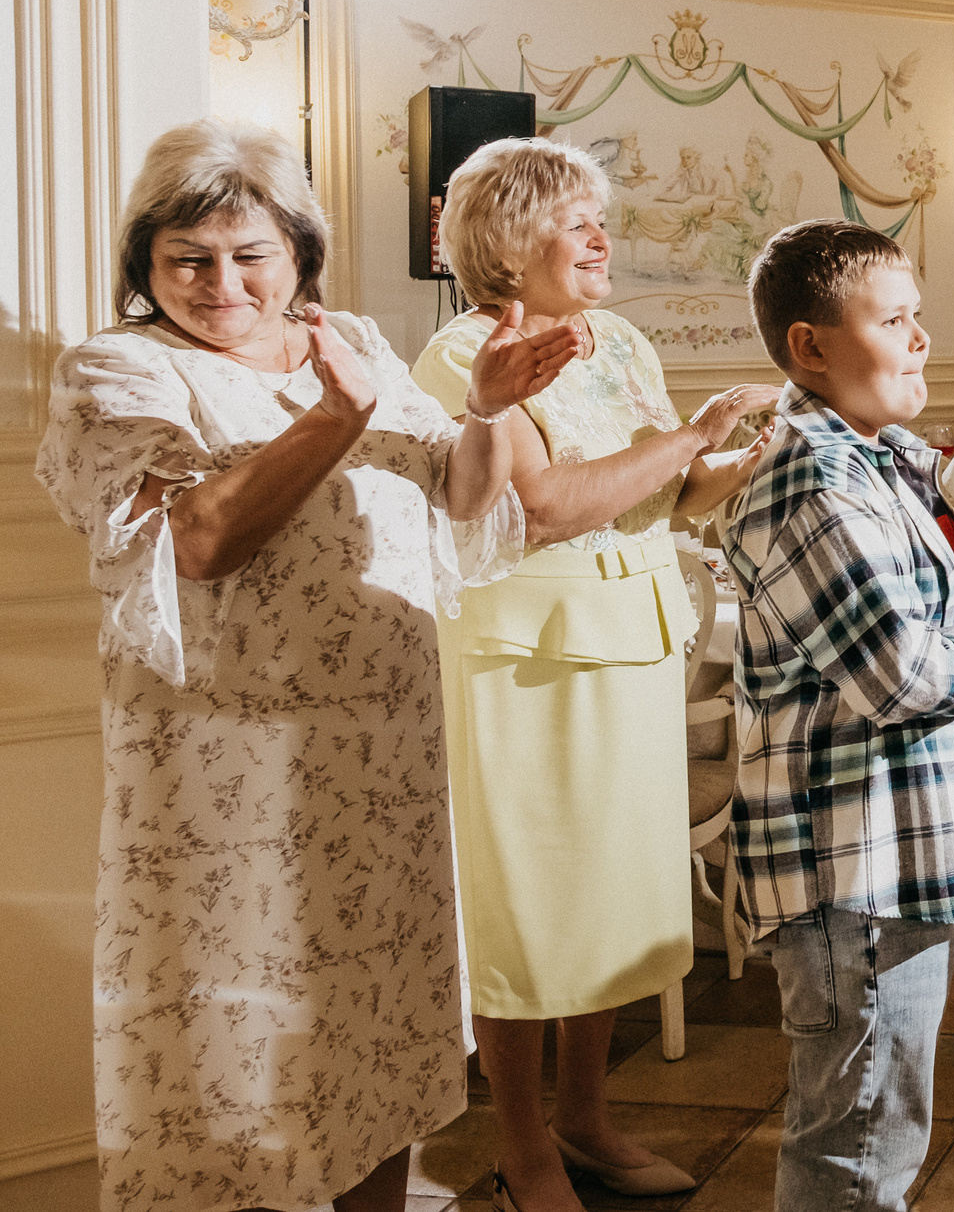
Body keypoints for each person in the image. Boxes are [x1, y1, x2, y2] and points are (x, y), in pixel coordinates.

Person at [35, 119, 576, 1212]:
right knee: (235, 1050)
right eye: (188, 258)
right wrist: (336, 416)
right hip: (229, 782)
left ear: (300, 253)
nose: (223, 284)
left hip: (384, 766)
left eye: (251, 255)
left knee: (374, 1038)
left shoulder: (352, 340)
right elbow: (198, 542)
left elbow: (464, 495)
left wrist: (486, 408)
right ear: (144, 260)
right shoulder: (121, 368)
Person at [413, 137, 779, 1212]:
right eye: (578, 223)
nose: (602, 240)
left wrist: (735, 460)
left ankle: (586, 1117)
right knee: (533, 907)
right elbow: (548, 507)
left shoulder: (619, 340)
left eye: (598, 221)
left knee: (613, 902)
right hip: (530, 664)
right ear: (509, 239)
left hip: (634, 641)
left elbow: (661, 496)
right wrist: (693, 436)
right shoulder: (463, 355)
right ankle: (521, 1145)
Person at [723, 219, 954, 1212]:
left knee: (875, 1138)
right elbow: (899, 678)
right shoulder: (812, 478)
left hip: (892, 851)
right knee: (856, 1156)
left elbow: (907, 628)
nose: (923, 338)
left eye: (917, 315)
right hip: (852, 869)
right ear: (810, 345)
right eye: (893, 320)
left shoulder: (873, 459)